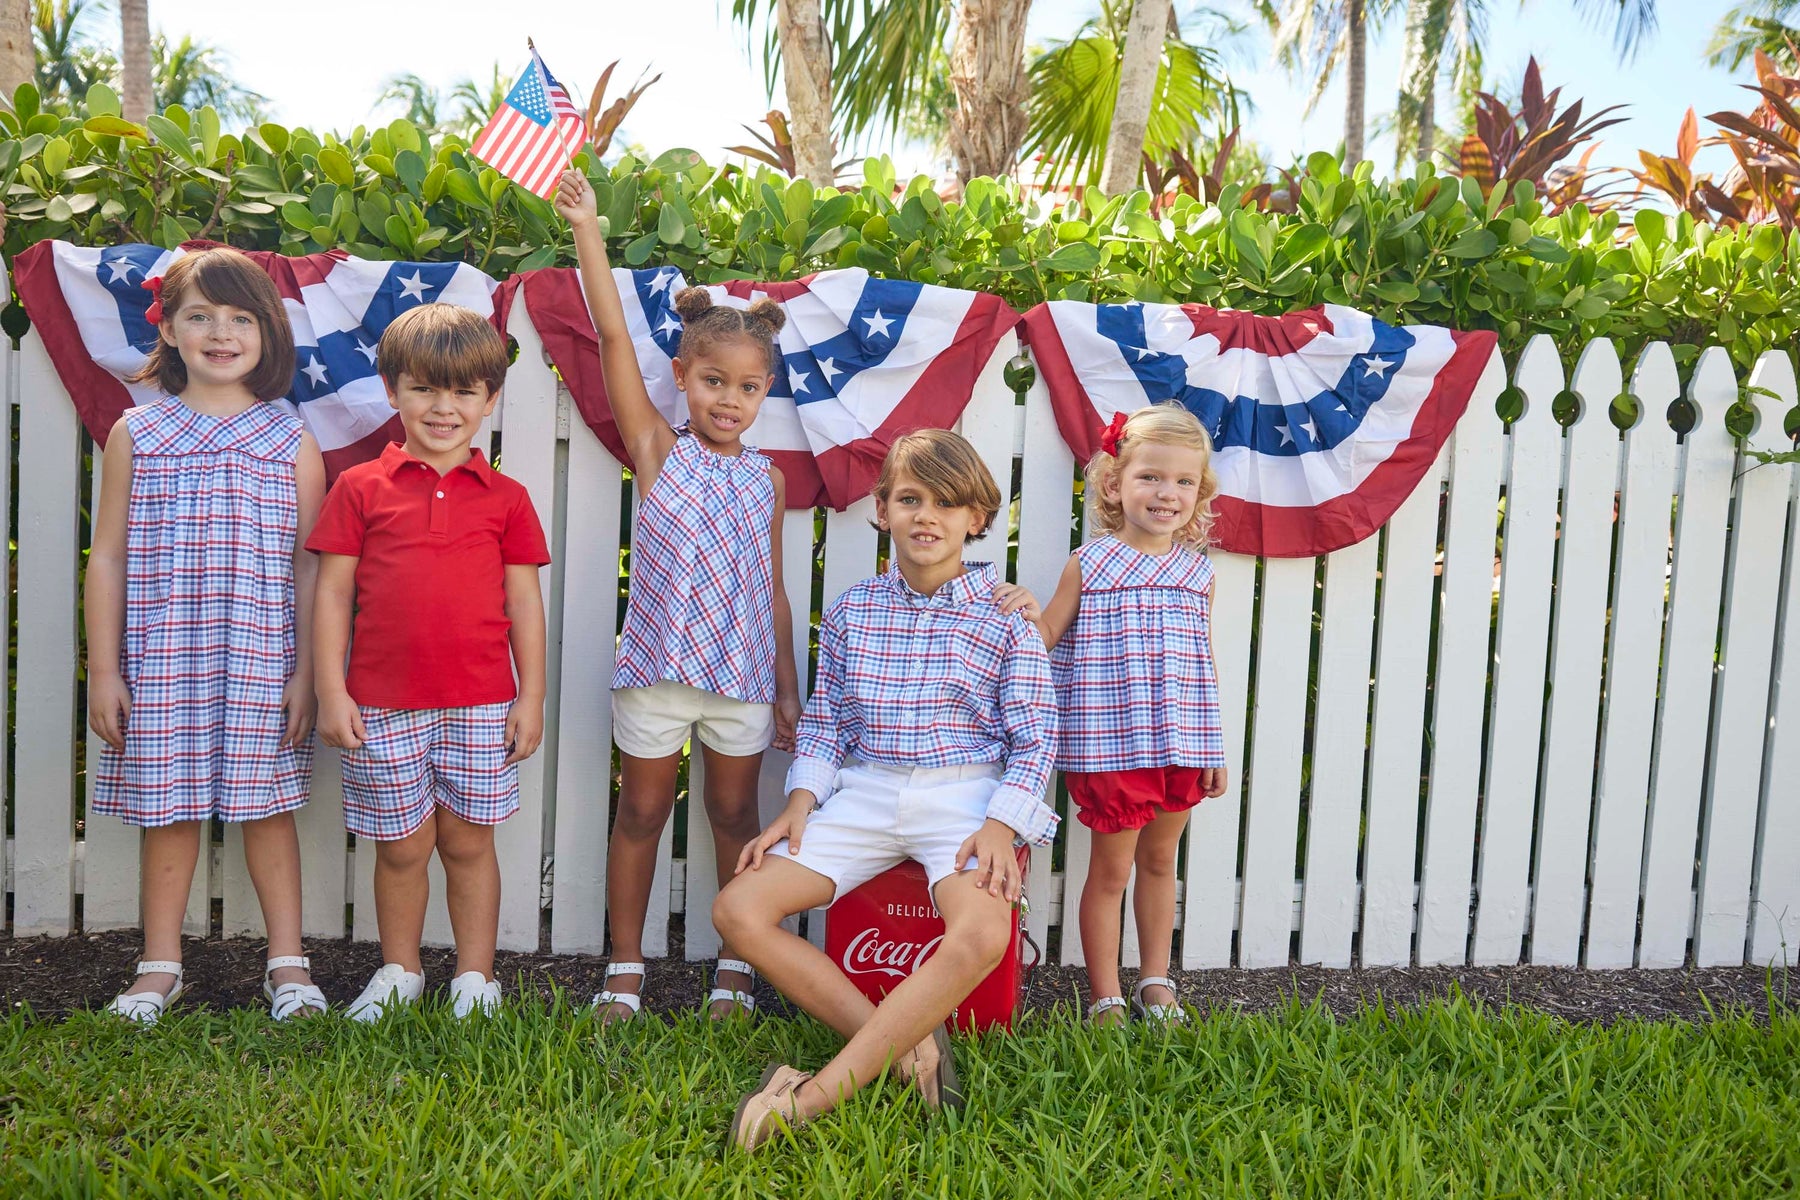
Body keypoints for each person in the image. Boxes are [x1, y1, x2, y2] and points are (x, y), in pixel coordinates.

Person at [712, 429, 1055, 1151]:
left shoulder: (1006, 621)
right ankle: (908, 1050)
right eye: (910, 499)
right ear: (882, 509)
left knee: (985, 933)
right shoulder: (853, 610)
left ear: (978, 519)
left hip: (964, 798)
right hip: (866, 793)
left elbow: (1035, 739)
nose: (927, 516)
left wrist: (1002, 826)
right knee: (738, 909)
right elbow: (828, 723)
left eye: (947, 502)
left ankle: (807, 1100)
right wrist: (799, 805)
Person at [554, 168, 802, 1022]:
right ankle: (625, 967)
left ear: (765, 391)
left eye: (748, 387)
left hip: (739, 682)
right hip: (658, 671)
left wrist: (787, 686)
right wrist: (588, 225)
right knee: (644, 812)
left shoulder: (765, 482)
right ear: (684, 376)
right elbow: (614, 340)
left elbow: (768, 585)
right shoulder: (660, 450)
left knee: (737, 816)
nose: (729, 400)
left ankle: (737, 964)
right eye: (713, 382)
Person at [87, 247, 328, 1023]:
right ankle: (161, 966)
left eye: (240, 318)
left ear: (267, 335)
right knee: (170, 809)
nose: (220, 333)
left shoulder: (289, 440)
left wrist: (308, 675)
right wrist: (104, 669)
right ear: (170, 327)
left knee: (266, 808)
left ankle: (287, 966)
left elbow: (309, 568)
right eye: (200, 316)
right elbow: (110, 557)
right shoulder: (139, 433)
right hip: (163, 660)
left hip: (263, 662)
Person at [310, 303, 550, 1021]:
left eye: (464, 392)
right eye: (424, 389)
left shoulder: (507, 499)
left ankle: (475, 980)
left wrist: (529, 696)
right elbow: (333, 596)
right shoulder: (359, 488)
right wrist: (331, 690)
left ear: (489, 399)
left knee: (470, 843)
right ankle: (399, 971)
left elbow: (525, 607)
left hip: (480, 703)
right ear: (392, 391)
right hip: (381, 701)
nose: (443, 408)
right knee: (402, 847)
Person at [1035, 404, 1230, 1025]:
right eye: (1151, 477)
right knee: (1111, 869)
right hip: (1109, 747)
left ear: (1199, 493)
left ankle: (1154, 980)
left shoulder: (1197, 572)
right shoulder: (1089, 565)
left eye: (1183, 482)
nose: (1167, 493)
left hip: (1180, 746)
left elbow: (1203, 662)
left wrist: (1213, 746)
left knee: (1159, 863)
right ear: (1115, 485)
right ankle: (1105, 994)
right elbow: (1042, 639)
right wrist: (1013, 612)